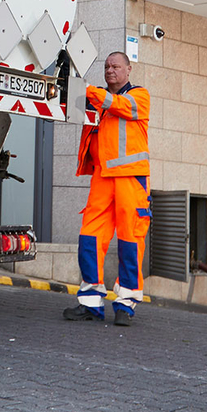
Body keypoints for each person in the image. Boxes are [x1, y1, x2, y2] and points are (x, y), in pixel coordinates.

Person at [63, 51, 152, 326]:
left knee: (130, 240)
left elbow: (120, 105)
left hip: (131, 178)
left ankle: (125, 303)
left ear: (129, 69)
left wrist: (86, 89)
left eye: (115, 66)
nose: (110, 70)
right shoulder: (99, 98)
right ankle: (91, 302)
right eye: (106, 66)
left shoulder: (139, 95)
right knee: (90, 237)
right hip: (103, 177)